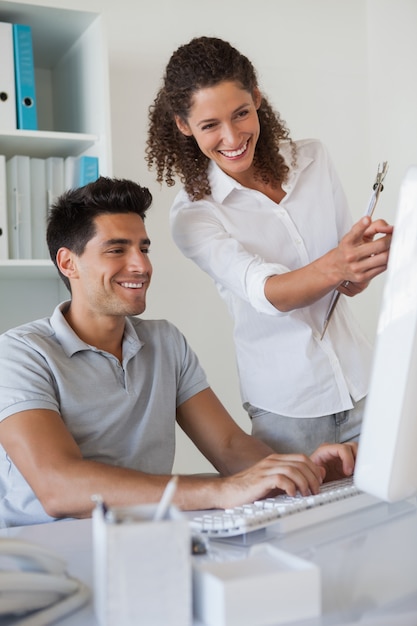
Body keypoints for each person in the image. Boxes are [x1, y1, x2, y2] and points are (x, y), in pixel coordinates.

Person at [0, 177, 357, 528]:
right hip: (46, 548)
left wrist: (304, 471)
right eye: (117, 250)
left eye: (144, 248)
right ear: (68, 263)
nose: (141, 265)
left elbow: (230, 446)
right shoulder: (21, 354)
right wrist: (220, 491)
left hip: (143, 534)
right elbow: (58, 487)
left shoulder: (164, 342)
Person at [146, 36, 393, 455]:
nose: (232, 136)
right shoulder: (194, 216)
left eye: (241, 113)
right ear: (184, 126)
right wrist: (338, 265)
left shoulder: (312, 160)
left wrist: (362, 264)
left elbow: (343, 283)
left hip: (363, 383)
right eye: (210, 125)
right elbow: (268, 291)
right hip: (288, 409)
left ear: (257, 98)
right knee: (302, 520)